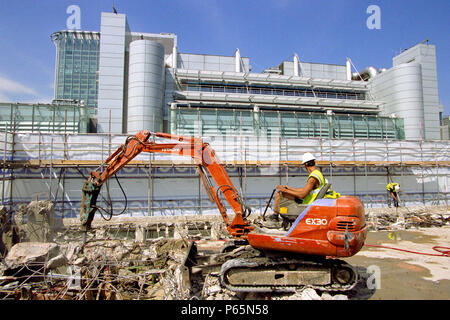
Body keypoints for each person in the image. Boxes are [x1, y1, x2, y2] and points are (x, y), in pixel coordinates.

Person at [271, 152, 339, 218]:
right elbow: (305, 190)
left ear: (305, 165)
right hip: (312, 200)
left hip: (309, 203)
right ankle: (278, 216)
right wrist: (289, 188)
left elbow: (302, 195)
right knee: (284, 192)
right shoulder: (318, 173)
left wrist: (284, 190)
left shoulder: (312, 178)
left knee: (280, 194)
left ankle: (275, 217)